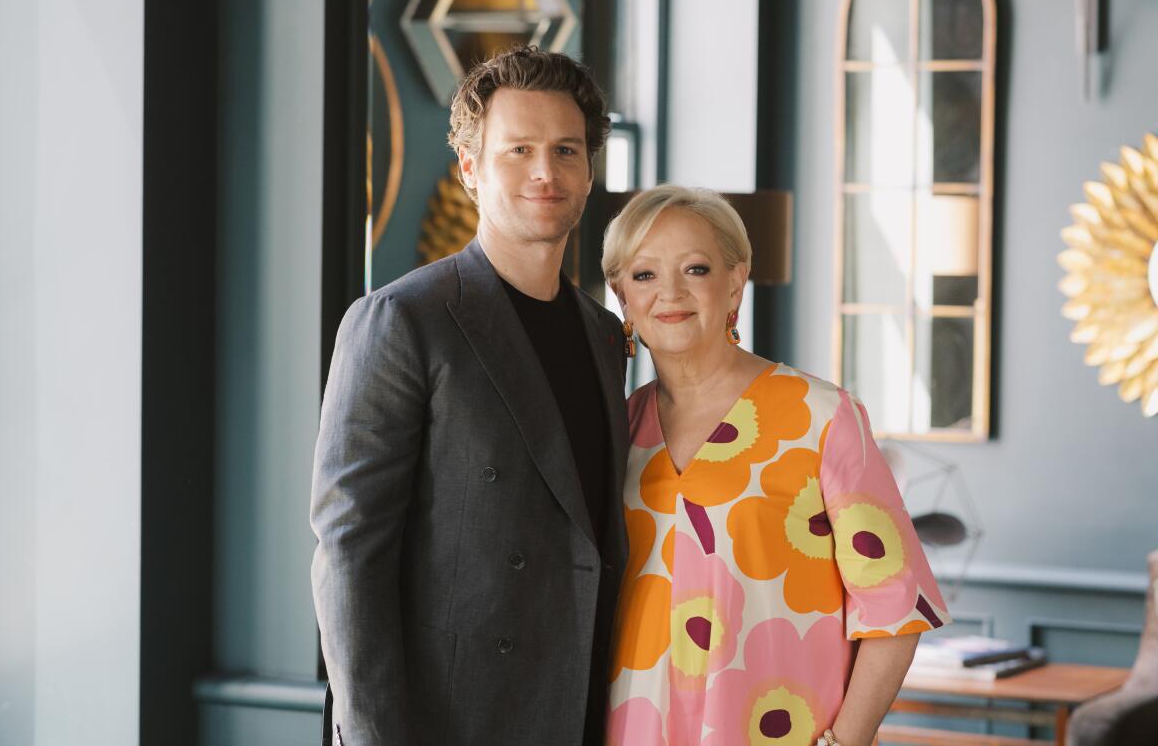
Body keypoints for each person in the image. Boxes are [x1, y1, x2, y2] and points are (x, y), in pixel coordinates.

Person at [310, 45, 629, 746]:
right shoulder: (402, 319)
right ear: (470, 172)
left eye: (566, 150)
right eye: (518, 150)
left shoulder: (606, 337)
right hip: (445, 725)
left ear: (587, 170)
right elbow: (349, 551)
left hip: (577, 720)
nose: (546, 171)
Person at [601, 185, 950, 746]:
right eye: (644, 275)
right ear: (620, 293)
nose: (669, 292)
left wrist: (849, 740)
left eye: (695, 268)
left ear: (735, 280)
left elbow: (895, 607)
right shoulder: (614, 430)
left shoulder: (821, 416)